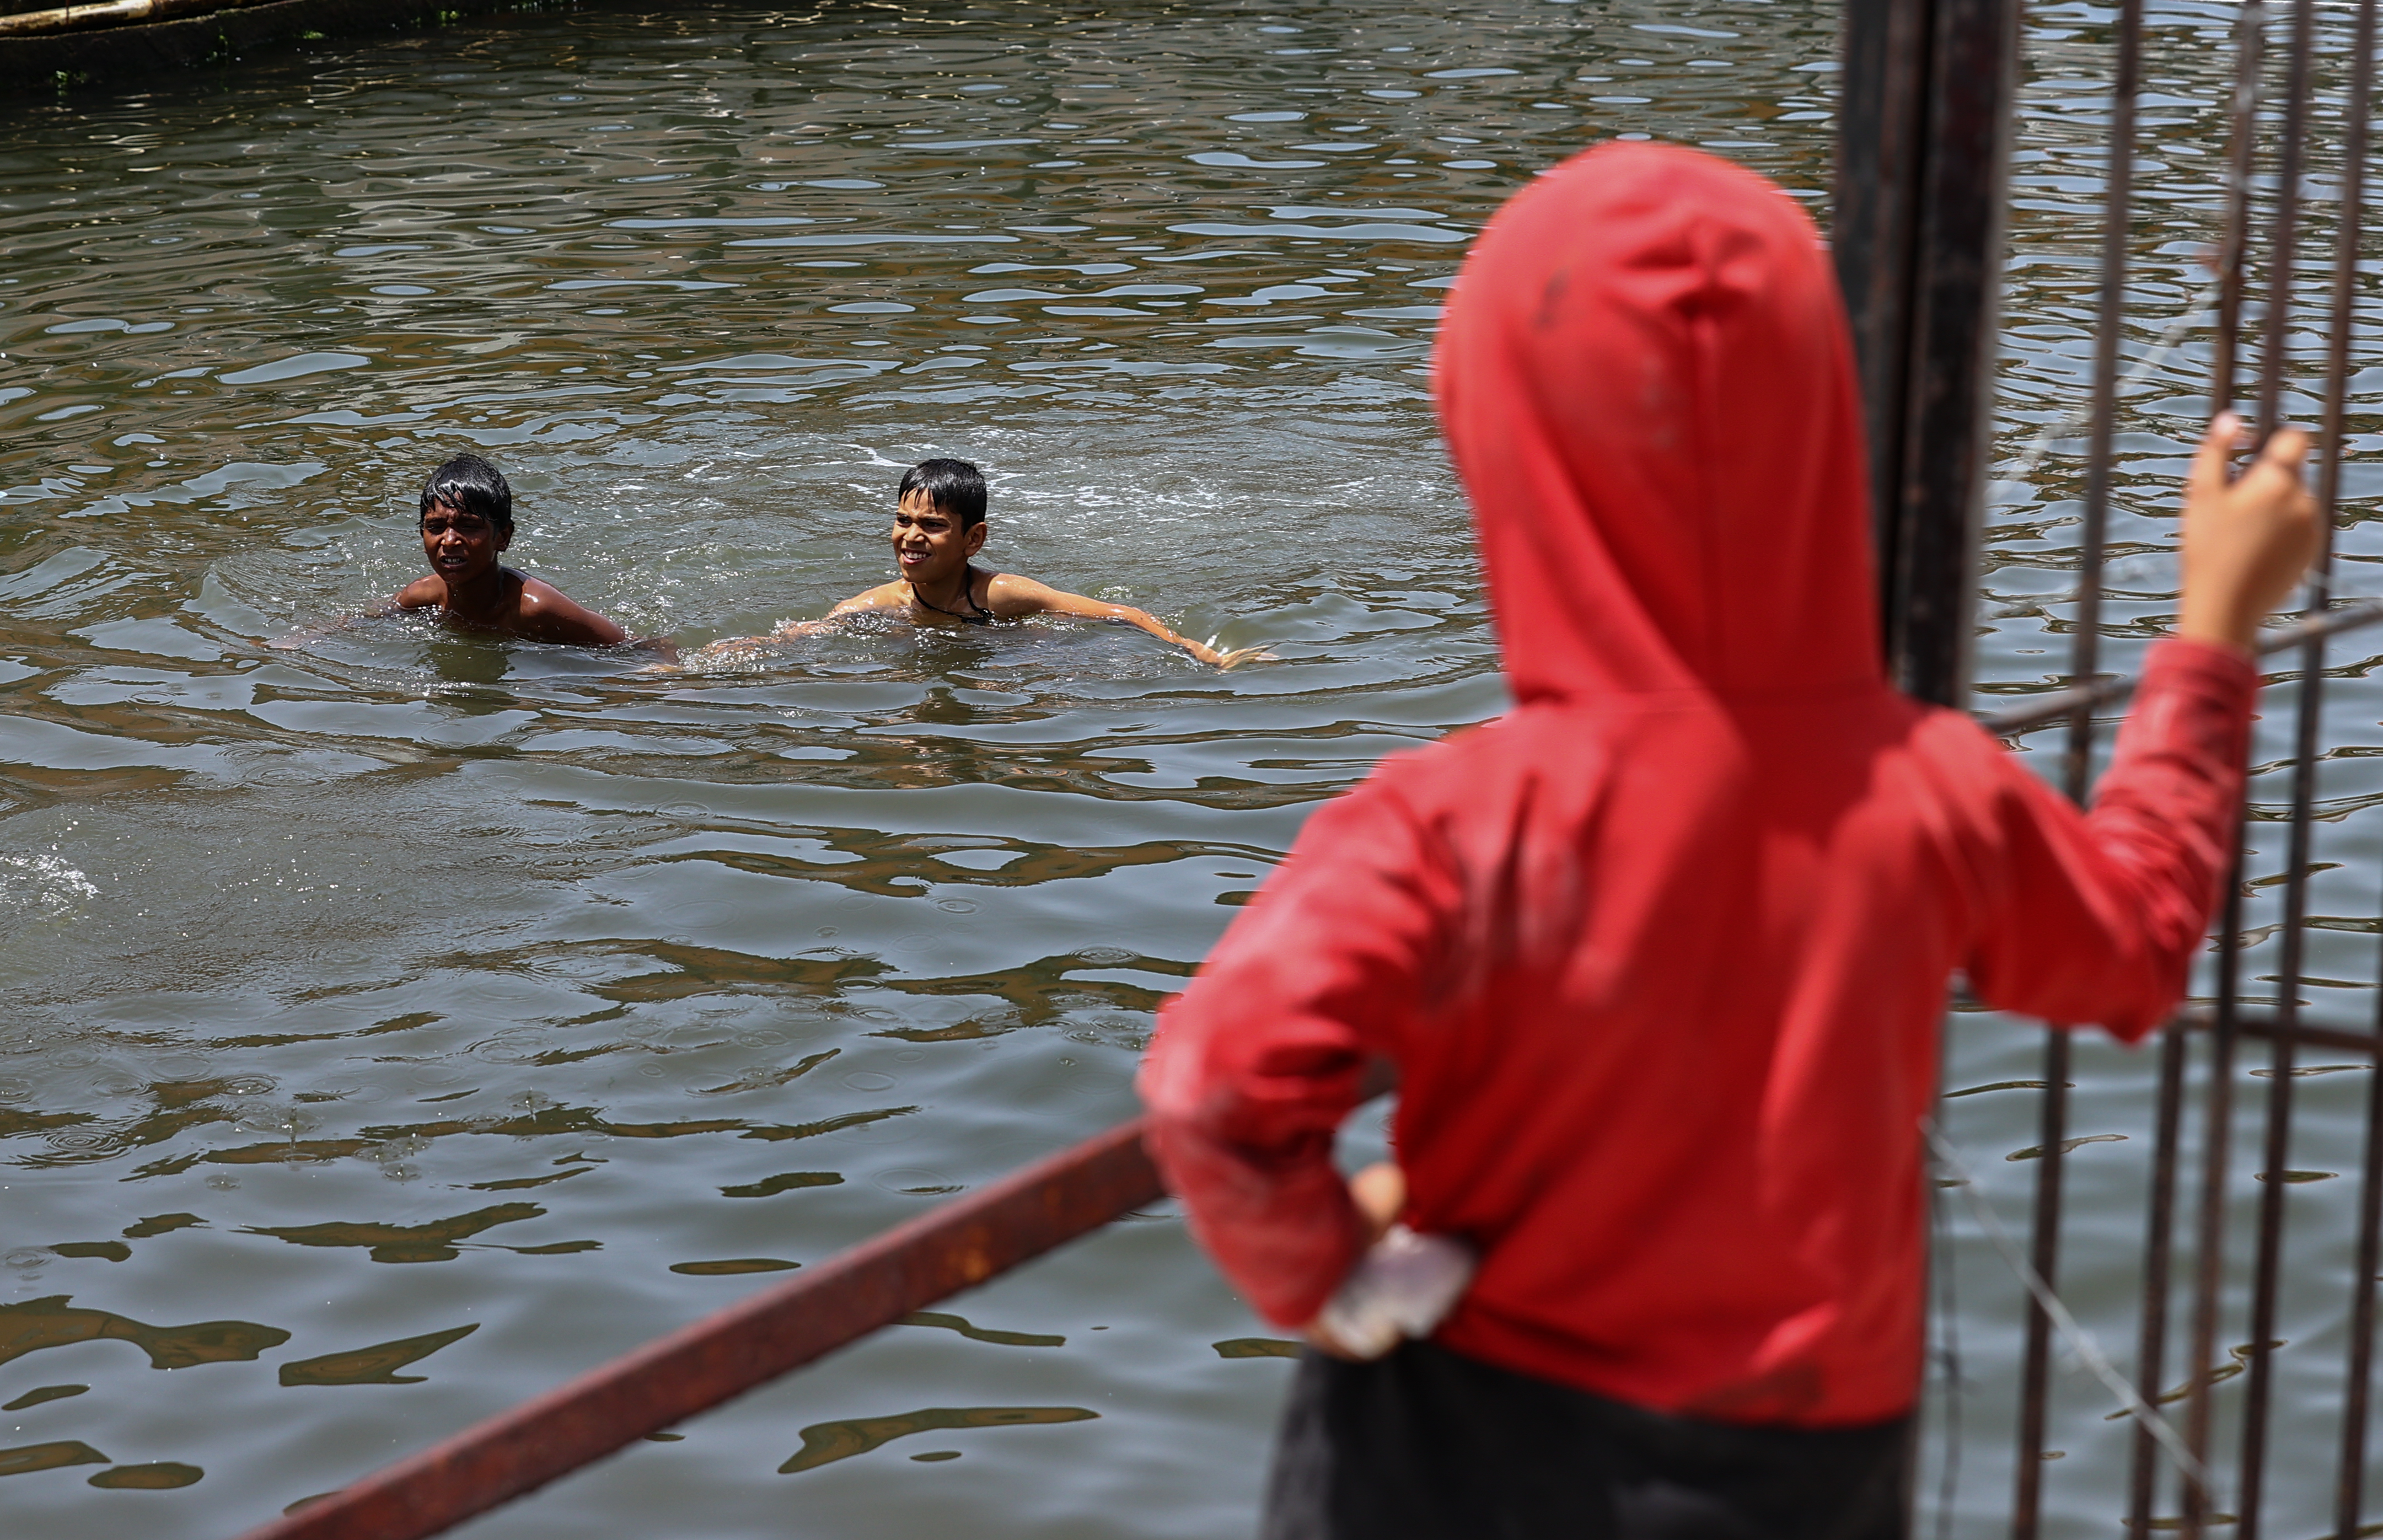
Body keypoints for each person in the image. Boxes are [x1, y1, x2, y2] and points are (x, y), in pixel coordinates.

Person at [1135, 142, 2320, 1540]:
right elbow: (2134, 947)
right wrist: (2209, 637)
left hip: (1463, 1455)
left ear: (1498, 440)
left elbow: (1215, 1090)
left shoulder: (1450, 817)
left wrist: (1333, 1273)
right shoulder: (1934, 785)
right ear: (1827, 422)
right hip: (1806, 1472)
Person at [683, 458, 1267, 668]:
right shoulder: (880, 605)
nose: (911, 538)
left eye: (933, 526)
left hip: (1011, 641)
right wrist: (725, 655)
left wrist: (1201, 652)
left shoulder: (1000, 595)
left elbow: (1120, 614)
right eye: (903, 522)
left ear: (973, 539)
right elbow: (808, 633)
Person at [388, 454, 674, 659]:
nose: (449, 541)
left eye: (470, 527)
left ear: (502, 537)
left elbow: (639, 647)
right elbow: (366, 620)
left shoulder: (535, 608)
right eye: (436, 528)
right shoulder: (424, 594)